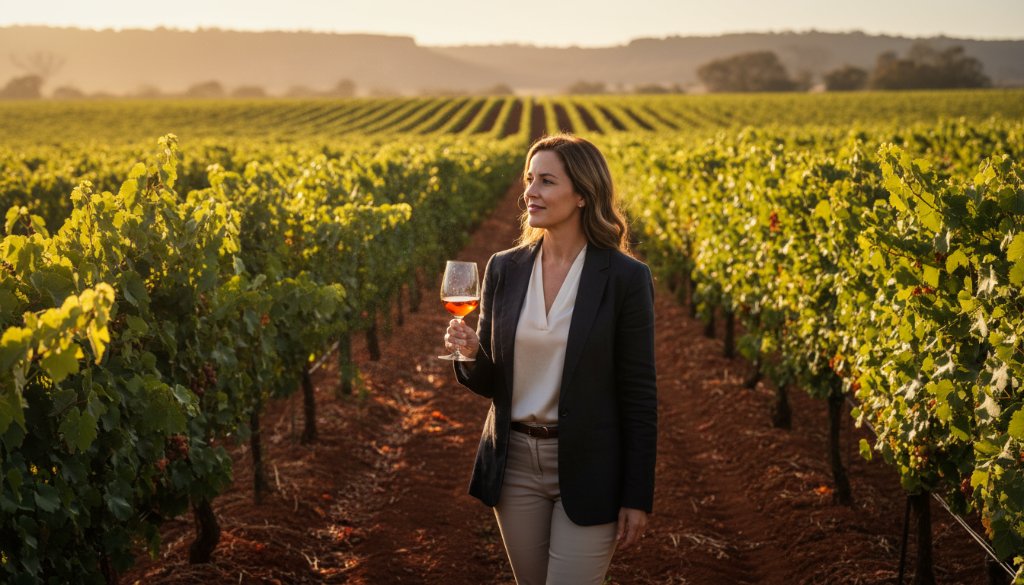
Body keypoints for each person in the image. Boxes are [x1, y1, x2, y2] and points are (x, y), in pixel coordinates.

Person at [443, 133, 658, 585]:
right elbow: (491, 380)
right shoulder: (505, 266)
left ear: (582, 194)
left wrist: (637, 495)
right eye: (528, 179)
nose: (529, 192)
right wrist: (467, 354)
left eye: (546, 181)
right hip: (515, 462)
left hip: (590, 464)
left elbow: (639, 395)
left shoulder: (625, 278)